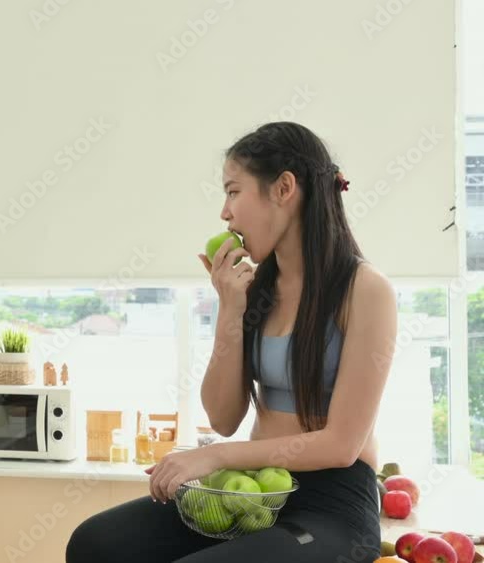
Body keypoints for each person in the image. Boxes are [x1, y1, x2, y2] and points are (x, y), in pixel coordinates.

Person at [66, 122, 396, 562]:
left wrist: (217, 458)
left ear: (283, 188)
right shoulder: (257, 289)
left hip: (332, 504)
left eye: (234, 191)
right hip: (254, 490)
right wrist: (230, 308)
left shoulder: (365, 289)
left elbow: (341, 445)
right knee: (95, 544)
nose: (225, 213)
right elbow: (223, 416)